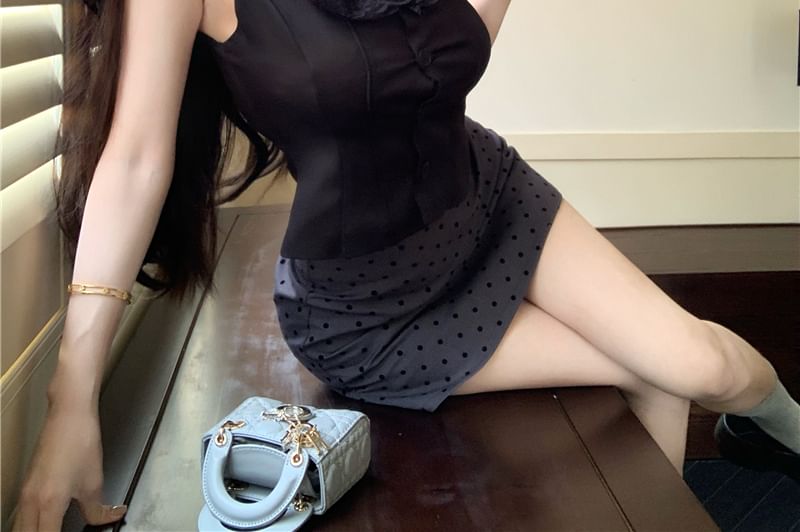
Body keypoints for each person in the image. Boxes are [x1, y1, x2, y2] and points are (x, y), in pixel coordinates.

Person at [12, 0, 799, 530]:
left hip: (490, 200)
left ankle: (781, 433)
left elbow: (453, 50)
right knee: (660, 371)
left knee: (712, 367)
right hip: (371, 313)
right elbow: (135, 161)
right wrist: (71, 396)